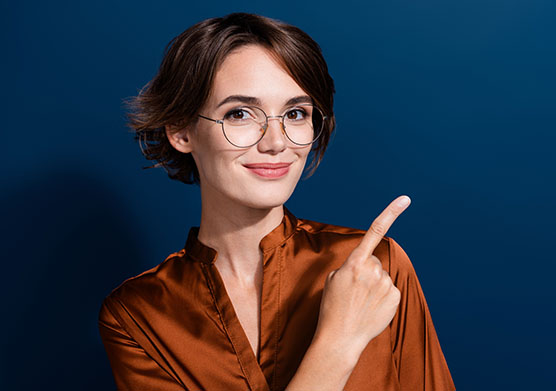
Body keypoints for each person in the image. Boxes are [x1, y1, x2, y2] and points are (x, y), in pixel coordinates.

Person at [98, 12, 455, 391]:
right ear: (181, 131)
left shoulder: (375, 269)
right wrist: (340, 341)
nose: (276, 142)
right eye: (239, 114)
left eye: (295, 113)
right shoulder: (138, 315)